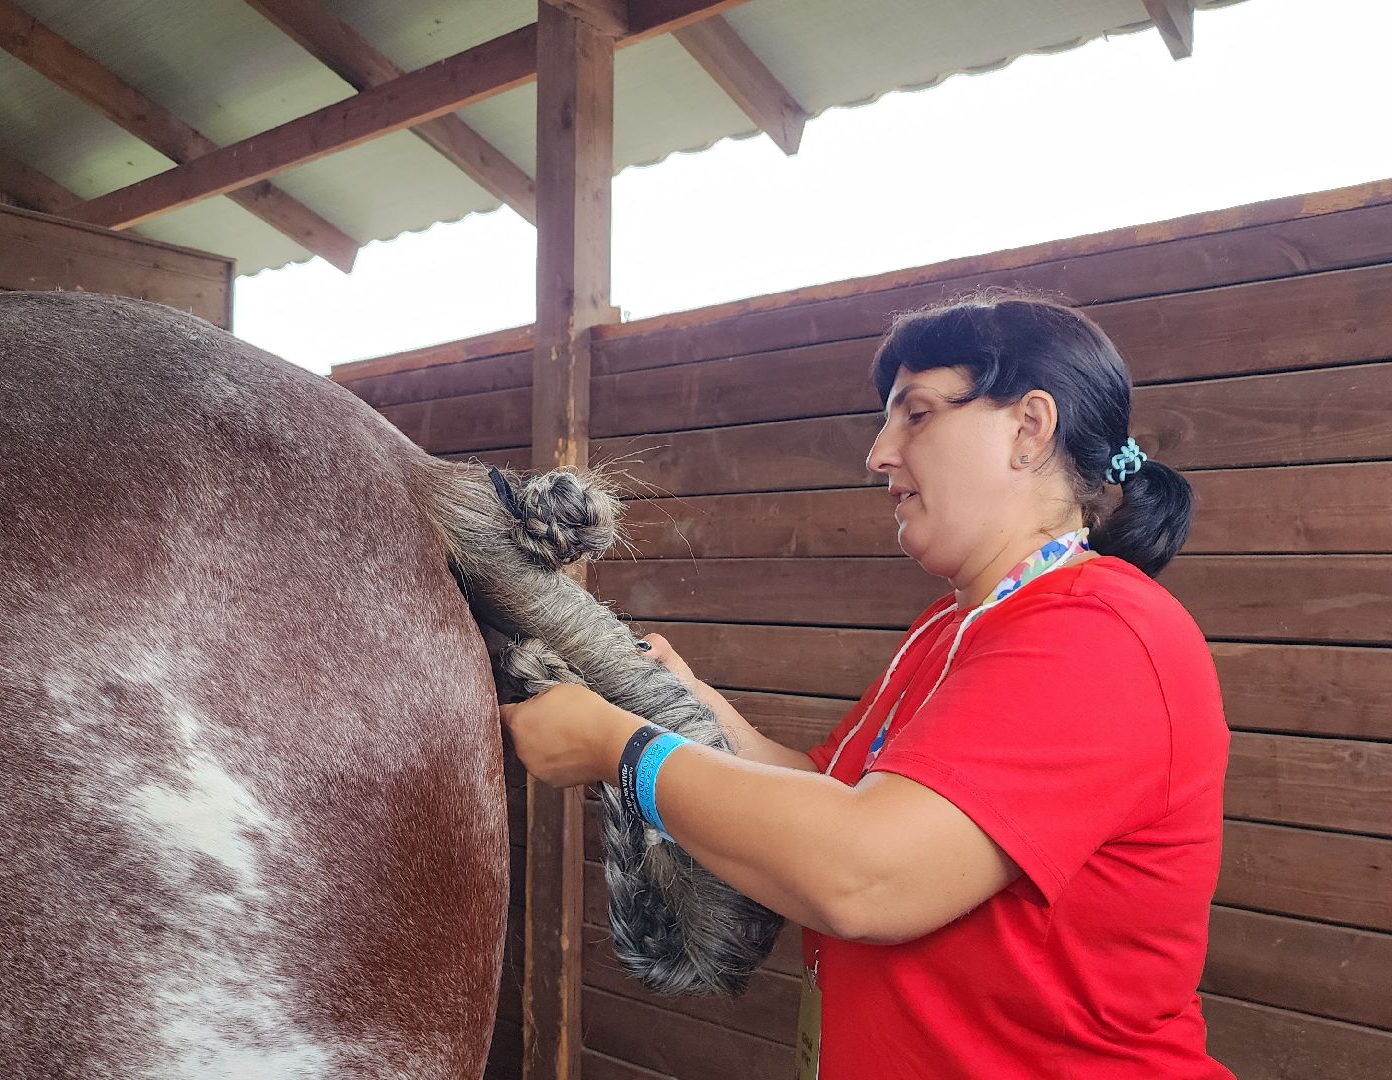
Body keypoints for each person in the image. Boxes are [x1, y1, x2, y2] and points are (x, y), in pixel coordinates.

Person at [500, 294, 1234, 1078]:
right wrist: (685, 709)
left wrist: (619, 748)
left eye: (915, 414)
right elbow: (832, 794)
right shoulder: (955, 625)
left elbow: (866, 874)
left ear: (1030, 427)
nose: (879, 452)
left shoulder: (1096, 633)